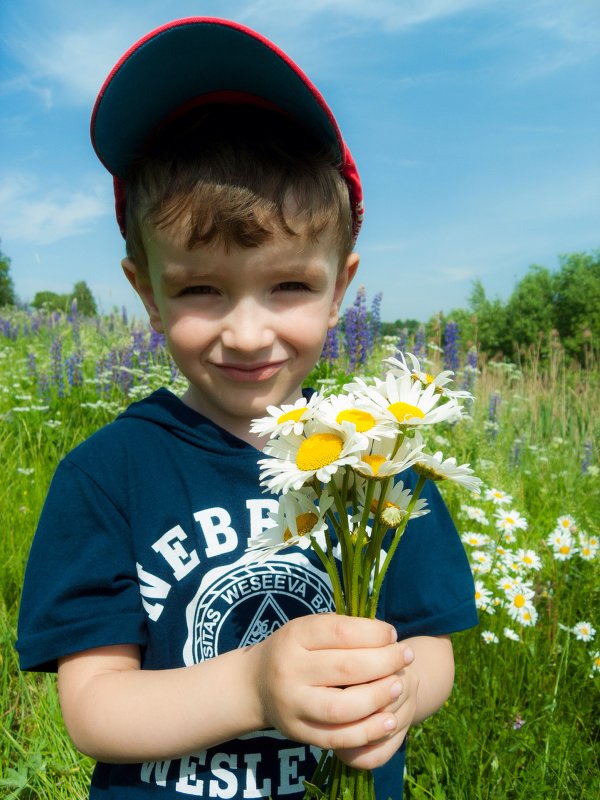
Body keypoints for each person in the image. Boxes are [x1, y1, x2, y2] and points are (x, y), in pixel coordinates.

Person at [16, 17, 477, 800]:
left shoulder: (382, 457)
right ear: (146, 294)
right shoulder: (105, 475)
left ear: (341, 290)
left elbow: (431, 644)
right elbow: (93, 708)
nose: (246, 331)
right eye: (201, 289)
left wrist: (392, 697)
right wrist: (254, 689)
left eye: (289, 285)